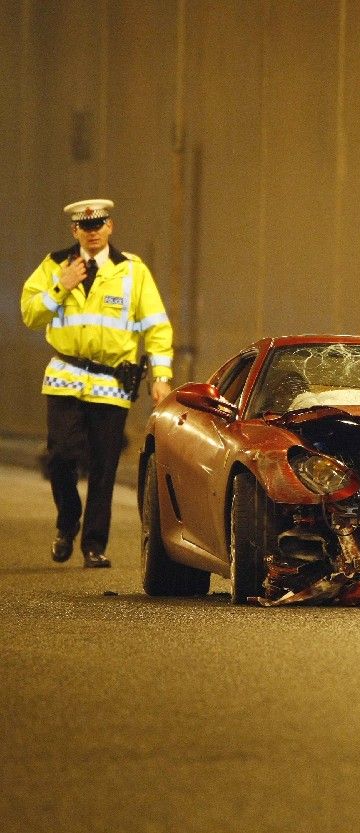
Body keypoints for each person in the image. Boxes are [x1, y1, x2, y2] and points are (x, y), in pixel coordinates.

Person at [20, 198, 173, 568]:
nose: (92, 232)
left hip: (112, 382)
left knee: (104, 467)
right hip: (65, 377)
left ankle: (94, 545)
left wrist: (161, 376)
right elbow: (29, 314)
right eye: (84, 227)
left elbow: (156, 325)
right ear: (75, 230)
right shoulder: (55, 265)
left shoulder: (133, 271)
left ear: (110, 227)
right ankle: (67, 520)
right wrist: (60, 287)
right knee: (60, 457)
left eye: (98, 225)